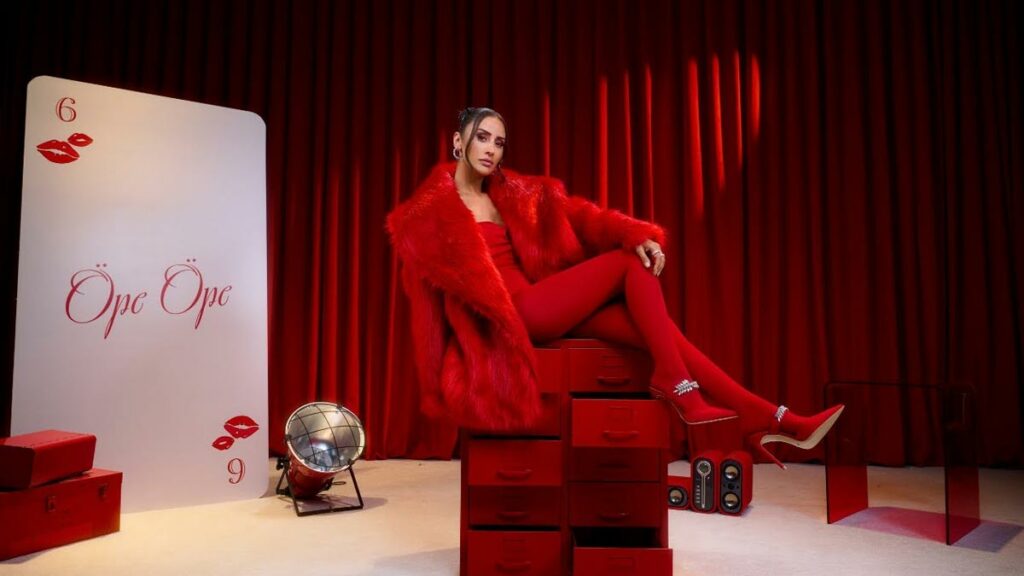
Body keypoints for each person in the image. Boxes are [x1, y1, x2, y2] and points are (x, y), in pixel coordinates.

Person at [386, 107, 843, 467]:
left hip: (544, 304)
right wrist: (439, 389)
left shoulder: (516, 193)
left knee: (662, 332)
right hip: (515, 318)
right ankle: (678, 385)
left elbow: (586, 216)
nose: (490, 149)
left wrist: (633, 232)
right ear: (458, 141)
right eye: (482, 137)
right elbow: (426, 316)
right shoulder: (424, 219)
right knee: (629, 264)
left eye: (499, 142)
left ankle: (773, 419)